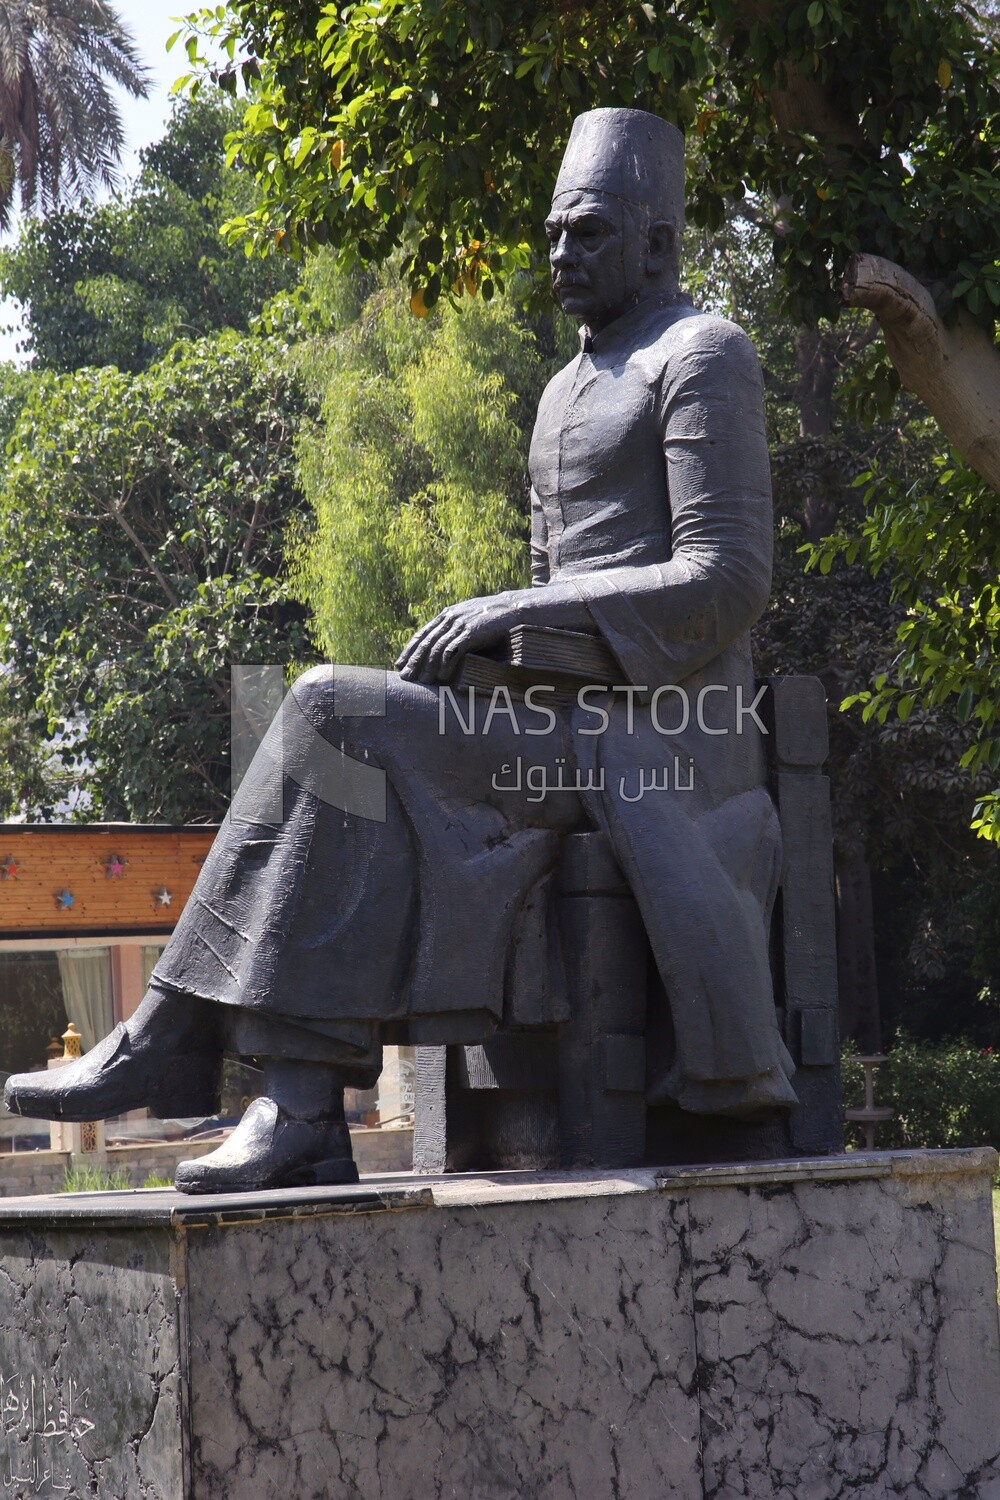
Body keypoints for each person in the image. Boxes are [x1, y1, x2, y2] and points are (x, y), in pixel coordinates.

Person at [5, 107, 796, 1192]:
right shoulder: (562, 390)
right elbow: (544, 594)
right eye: (554, 231)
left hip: (657, 748)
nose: (560, 253)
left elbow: (727, 577)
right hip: (549, 728)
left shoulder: (704, 355)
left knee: (332, 709)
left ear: (659, 243)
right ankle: (293, 1101)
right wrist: (503, 640)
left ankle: (194, 1049)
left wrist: (511, 614)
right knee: (332, 741)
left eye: (592, 232)